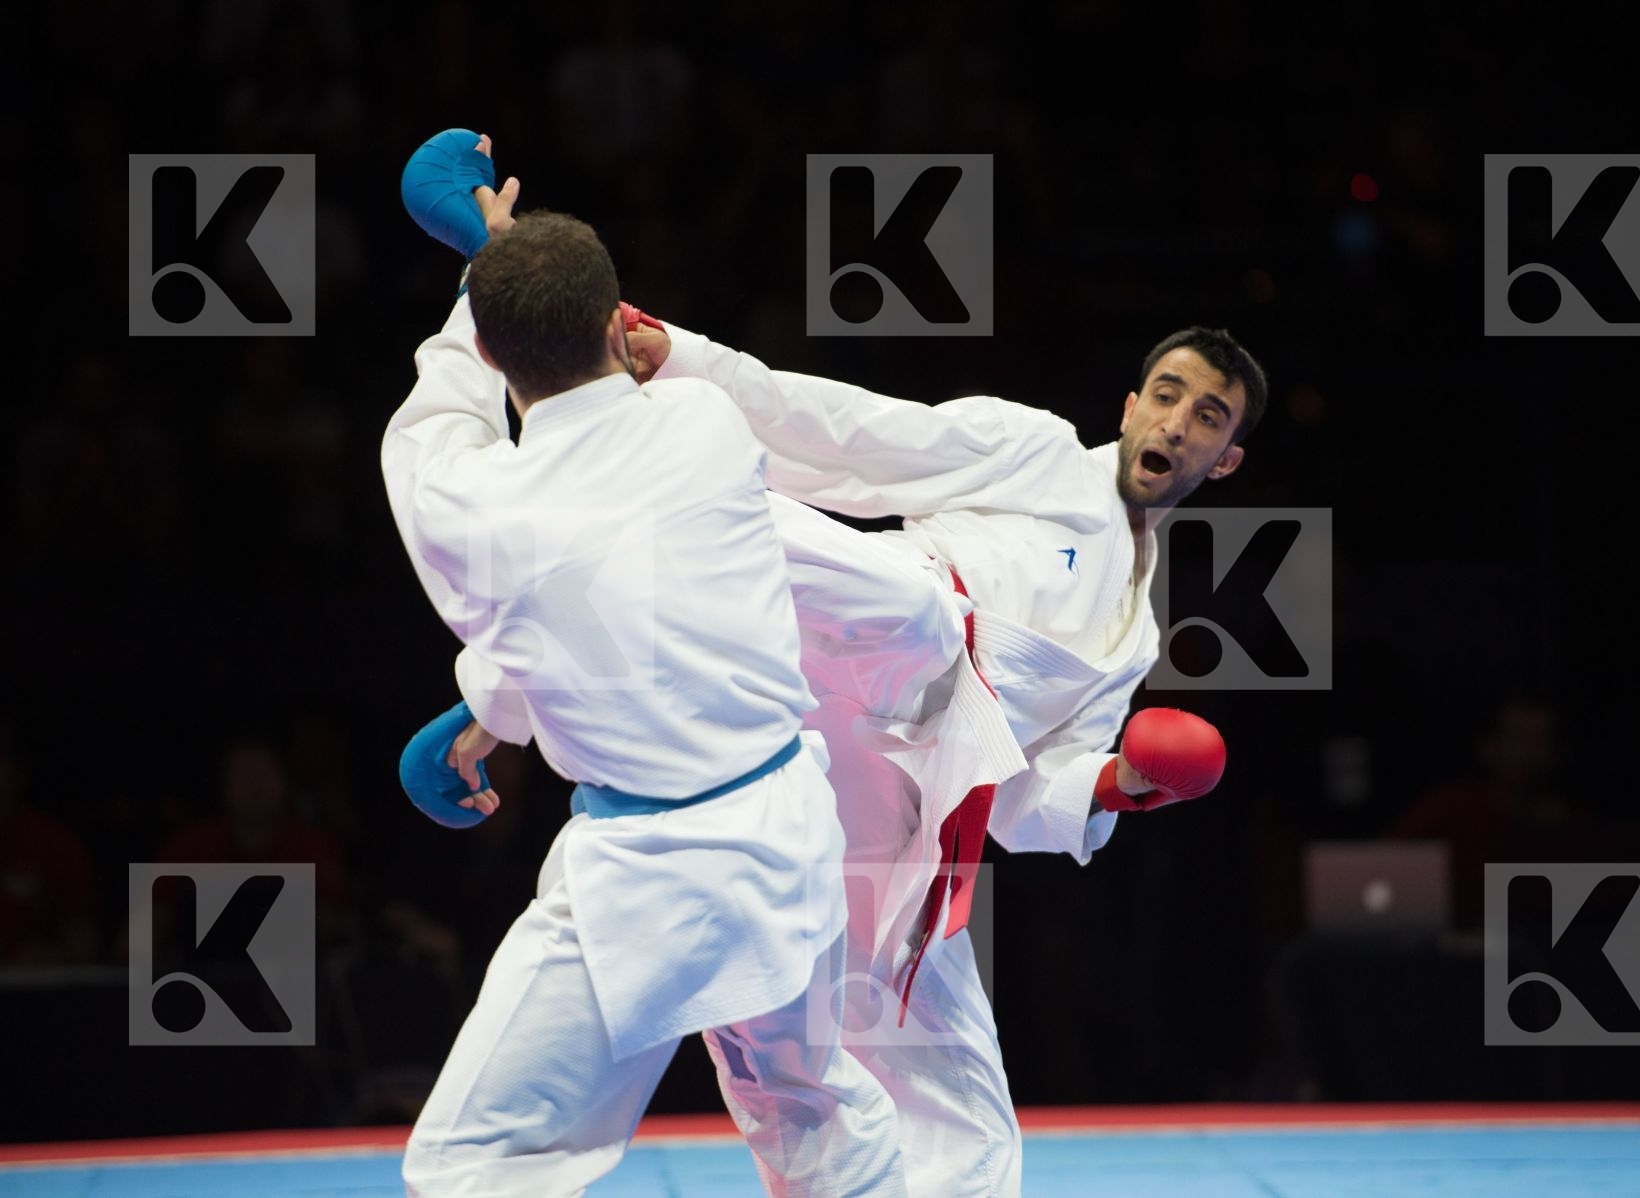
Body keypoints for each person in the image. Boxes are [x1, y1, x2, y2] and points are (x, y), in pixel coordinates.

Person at [427, 141, 1252, 1197]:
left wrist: (1110, 785)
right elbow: (857, 437)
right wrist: (679, 353)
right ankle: (515, 298)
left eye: (1209, 418)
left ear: (1225, 459)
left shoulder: (1133, 639)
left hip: (889, 804)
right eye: (1170, 396)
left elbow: (1019, 789)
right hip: (861, 629)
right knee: (799, 550)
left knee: (956, 1118)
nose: (1179, 424)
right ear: (1133, 401)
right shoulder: (1040, 452)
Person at [382, 132, 903, 1198]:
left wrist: (479, 253)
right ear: (622, 325)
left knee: (472, 1166)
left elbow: (458, 428)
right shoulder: (708, 423)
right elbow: (609, 602)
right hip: (788, 822)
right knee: (810, 1114)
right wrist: (494, 704)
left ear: (488, 351)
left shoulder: (472, 503)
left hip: (652, 868)